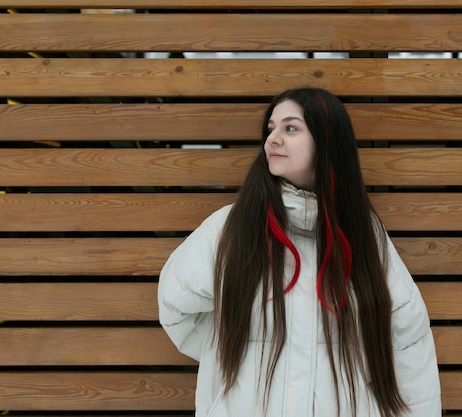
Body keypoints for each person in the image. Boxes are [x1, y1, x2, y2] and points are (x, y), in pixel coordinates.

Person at [158, 87, 441, 417]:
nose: (273, 139)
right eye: (271, 128)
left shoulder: (364, 235)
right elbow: (176, 306)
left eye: (290, 128)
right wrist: (240, 345)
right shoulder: (230, 228)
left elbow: (408, 342)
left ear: (327, 141)